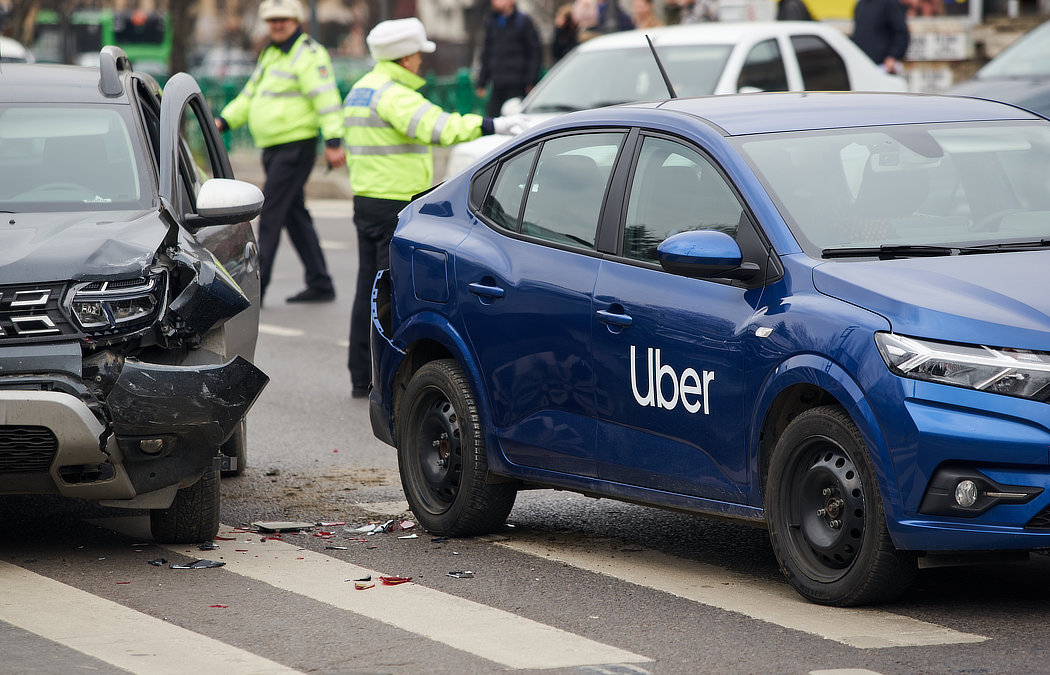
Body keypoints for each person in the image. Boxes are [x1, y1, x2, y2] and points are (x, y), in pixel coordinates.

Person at [343, 17, 524, 398]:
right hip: (394, 201)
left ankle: (362, 374)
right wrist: (494, 125)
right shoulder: (394, 94)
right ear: (405, 57)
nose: (421, 63)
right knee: (389, 295)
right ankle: (383, 379)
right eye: (418, 55)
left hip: (366, 199)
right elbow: (439, 128)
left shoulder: (362, 89)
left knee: (367, 289)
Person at [215, 0, 342, 305]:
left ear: (296, 20)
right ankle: (320, 281)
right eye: (272, 20)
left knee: (270, 214)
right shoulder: (271, 54)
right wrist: (224, 120)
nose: (278, 24)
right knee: (294, 214)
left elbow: (326, 98)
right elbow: (250, 96)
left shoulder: (309, 54)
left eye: (284, 19)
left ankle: (256, 291)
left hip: (296, 147)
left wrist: (334, 141)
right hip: (274, 148)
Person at [476, 0, 542, 118]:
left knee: (514, 120)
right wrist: (482, 81)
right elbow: (487, 53)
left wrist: (531, 81)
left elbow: (534, 53)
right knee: (493, 120)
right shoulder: (491, 22)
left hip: (517, 85)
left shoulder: (523, 22)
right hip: (497, 84)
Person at [851, 0, 910, 74]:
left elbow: (901, 33)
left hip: (882, 68)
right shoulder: (860, 5)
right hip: (863, 67)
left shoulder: (889, 3)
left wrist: (893, 56)